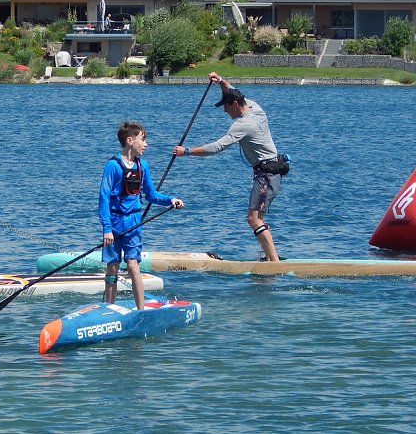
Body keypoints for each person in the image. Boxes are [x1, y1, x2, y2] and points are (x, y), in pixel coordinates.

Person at [173, 72, 286, 261]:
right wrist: (220, 81)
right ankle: (270, 258)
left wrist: (186, 151)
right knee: (257, 218)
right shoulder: (255, 107)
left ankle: (274, 263)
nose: (225, 111)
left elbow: (216, 147)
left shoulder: (243, 125)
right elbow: (234, 90)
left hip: (267, 175)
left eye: (226, 106)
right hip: (271, 172)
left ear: (235, 104)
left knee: (253, 219)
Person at [100, 122, 185, 310]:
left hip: (134, 223)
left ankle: (141, 310)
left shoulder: (143, 166)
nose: (146, 144)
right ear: (130, 141)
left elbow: (151, 195)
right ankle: (108, 309)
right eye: (143, 139)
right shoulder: (113, 166)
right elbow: (103, 197)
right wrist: (107, 229)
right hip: (114, 223)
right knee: (113, 267)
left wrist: (171, 200)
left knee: (133, 265)